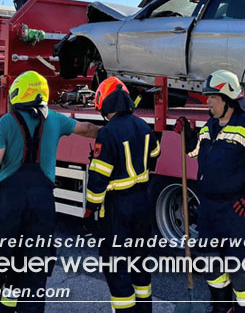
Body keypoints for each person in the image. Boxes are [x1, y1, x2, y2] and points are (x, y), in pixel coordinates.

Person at [0, 70, 100, 312]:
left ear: (20, 92)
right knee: (35, 269)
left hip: (9, 201)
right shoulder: (56, 120)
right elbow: (88, 128)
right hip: (43, 202)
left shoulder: (7, 121)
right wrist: (116, 132)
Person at [176, 70, 245, 313]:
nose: (208, 101)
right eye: (207, 96)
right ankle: (221, 307)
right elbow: (195, 152)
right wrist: (188, 135)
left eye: (213, 96)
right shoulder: (211, 124)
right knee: (212, 264)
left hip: (238, 212)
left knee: (242, 271)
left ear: (229, 98)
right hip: (210, 209)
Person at [84, 77, 160, 313]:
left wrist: (91, 208)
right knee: (140, 263)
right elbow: (155, 155)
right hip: (142, 203)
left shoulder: (107, 134)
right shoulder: (143, 126)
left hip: (117, 208)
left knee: (117, 267)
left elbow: (98, 179)